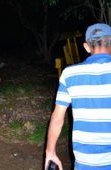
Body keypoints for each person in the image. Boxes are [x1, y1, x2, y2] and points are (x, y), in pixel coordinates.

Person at [45, 23, 111, 170]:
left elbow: (57, 118)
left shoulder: (70, 74)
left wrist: (50, 151)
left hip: (86, 160)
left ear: (86, 47)